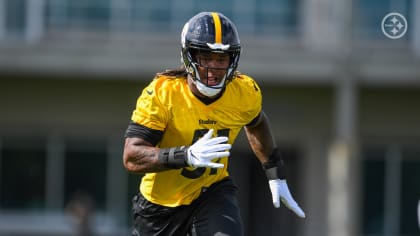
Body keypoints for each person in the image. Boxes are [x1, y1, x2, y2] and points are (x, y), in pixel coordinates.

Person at [123, 11, 305, 236]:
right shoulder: (162, 93)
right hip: (159, 206)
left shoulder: (243, 91)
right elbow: (132, 156)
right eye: (206, 58)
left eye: (221, 59)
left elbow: (256, 123)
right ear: (189, 57)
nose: (214, 68)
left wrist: (275, 173)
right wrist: (185, 156)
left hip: (211, 192)